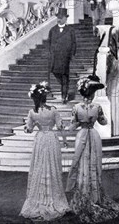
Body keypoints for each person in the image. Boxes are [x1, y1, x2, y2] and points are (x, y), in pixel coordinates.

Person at [66, 75, 119, 222]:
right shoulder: (97, 107)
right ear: (92, 94)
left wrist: (67, 127)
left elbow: (73, 125)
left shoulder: (76, 107)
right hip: (93, 134)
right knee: (94, 163)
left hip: (82, 135)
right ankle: (94, 196)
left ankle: (82, 193)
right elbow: (103, 123)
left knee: (80, 163)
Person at [20, 82, 70, 221]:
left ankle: (40, 198)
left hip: (41, 139)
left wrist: (28, 126)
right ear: (45, 98)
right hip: (52, 139)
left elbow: (28, 130)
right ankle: (53, 197)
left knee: (40, 166)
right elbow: (61, 127)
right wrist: (65, 141)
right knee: (52, 167)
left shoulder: (33, 112)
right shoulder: (53, 110)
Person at [48, 8, 77, 104]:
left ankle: (64, 96)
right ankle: (65, 86)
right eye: (58, 17)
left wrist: (72, 55)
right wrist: (51, 54)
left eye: (61, 17)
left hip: (65, 58)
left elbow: (73, 43)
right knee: (56, 74)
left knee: (65, 77)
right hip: (55, 58)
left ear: (65, 19)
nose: (59, 19)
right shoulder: (52, 30)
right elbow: (49, 43)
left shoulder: (70, 30)